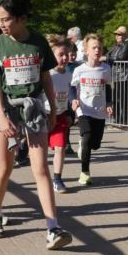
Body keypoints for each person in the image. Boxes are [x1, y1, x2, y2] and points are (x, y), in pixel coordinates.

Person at [0, 0, 72, 250]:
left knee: (41, 169)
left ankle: (53, 227)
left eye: (6, 19)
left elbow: (45, 77)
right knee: (4, 167)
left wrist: (53, 107)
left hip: (34, 110)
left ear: (22, 18)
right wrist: (1, 116)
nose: (1, 24)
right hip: (7, 111)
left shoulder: (38, 43)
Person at [71, 33, 114, 187]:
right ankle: (85, 173)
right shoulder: (79, 70)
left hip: (99, 110)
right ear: (86, 50)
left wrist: (109, 103)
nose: (97, 50)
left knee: (95, 144)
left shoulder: (105, 68)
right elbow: (72, 86)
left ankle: (84, 144)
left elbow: (108, 86)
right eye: (94, 47)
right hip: (84, 109)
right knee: (88, 136)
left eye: (100, 48)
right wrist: (73, 99)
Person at [45, 34, 74, 193]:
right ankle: (42, 177)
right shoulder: (47, 73)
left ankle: (57, 178)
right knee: (40, 150)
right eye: (60, 54)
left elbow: (69, 94)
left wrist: (70, 113)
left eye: (67, 54)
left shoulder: (69, 73)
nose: (65, 58)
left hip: (60, 115)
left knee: (60, 147)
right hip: (44, 115)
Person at [107, 25, 128, 126]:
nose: (117, 36)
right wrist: (109, 58)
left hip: (124, 76)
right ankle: (117, 119)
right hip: (115, 76)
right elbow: (108, 55)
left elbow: (122, 57)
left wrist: (109, 59)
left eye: (119, 34)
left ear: (125, 35)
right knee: (115, 98)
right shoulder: (116, 46)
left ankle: (124, 121)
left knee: (123, 98)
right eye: (116, 34)